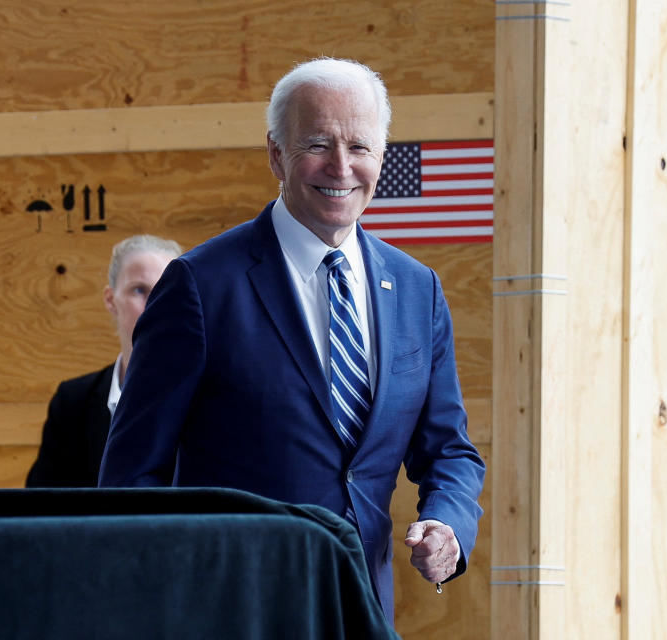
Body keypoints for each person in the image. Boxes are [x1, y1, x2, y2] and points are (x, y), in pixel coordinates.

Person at [98, 57, 485, 621]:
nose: (342, 166)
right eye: (317, 145)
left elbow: (449, 449)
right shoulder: (200, 286)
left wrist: (449, 523)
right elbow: (132, 474)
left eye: (360, 146)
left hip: (361, 610)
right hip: (228, 614)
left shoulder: (415, 288)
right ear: (276, 154)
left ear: (381, 156)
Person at [26, 234, 183, 487]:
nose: (154, 304)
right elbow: (41, 508)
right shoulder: (73, 403)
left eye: (165, 291)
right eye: (139, 290)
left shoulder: (208, 399)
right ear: (111, 300)